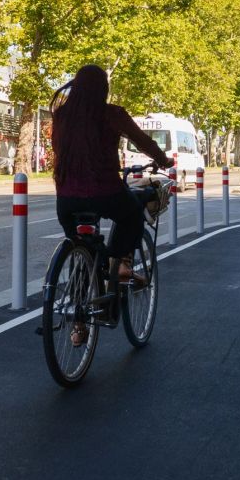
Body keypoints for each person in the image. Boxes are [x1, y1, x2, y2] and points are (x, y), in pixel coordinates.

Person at [48, 64, 170, 342]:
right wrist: (162, 159)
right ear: (103, 89)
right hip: (105, 193)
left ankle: (80, 324)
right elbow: (142, 141)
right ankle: (121, 263)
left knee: (81, 249)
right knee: (132, 213)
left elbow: (58, 149)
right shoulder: (112, 114)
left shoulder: (62, 115)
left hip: (66, 201)